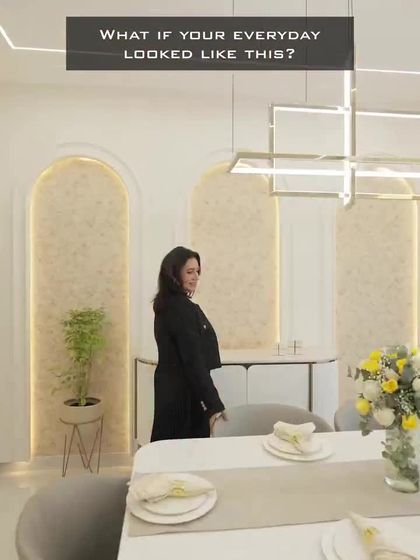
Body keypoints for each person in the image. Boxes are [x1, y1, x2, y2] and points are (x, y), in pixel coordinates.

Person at [150, 246, 226, 442]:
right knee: (187, 451)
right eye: (190, 272)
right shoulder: (181, 309)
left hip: (171, 390)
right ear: (174, 274)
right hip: (184, 394)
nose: (196, 277)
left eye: (197, 271)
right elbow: (193, 361)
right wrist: (214, 405)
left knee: (169, 448)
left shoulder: (166, 304)